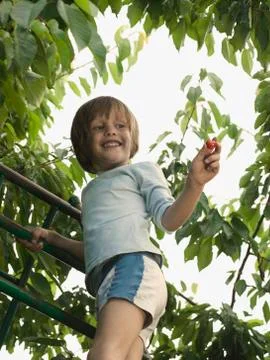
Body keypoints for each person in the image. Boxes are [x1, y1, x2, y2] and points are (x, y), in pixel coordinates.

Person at [17, 96, 221, 360]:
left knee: (103, 354)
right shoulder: (90, 192)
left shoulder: (141, 172)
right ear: (84, 144)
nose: (111, 130)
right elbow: (98, 249)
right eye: (99, 127)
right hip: (111, 281)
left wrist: (194, 184)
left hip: (133, 269)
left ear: (132, 137)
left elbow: (169, 220)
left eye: (120, 125)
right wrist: (54, 239)